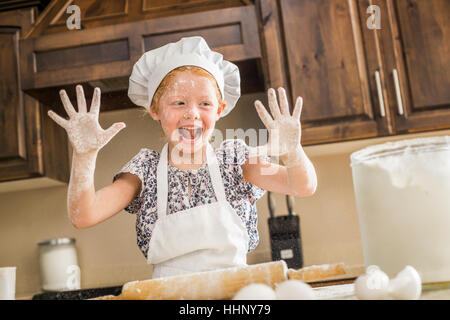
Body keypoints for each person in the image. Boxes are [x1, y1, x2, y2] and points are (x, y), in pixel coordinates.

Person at [47, 36, 317, 279]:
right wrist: (84, 157)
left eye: (205, 103)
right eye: (179, 103)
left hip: (235, 297)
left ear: (220, 109)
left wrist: (292, 153)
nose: (192, 113)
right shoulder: (145, 170)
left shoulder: (235, 161)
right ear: (155, 109)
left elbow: (302, 186)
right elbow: (84, 215)